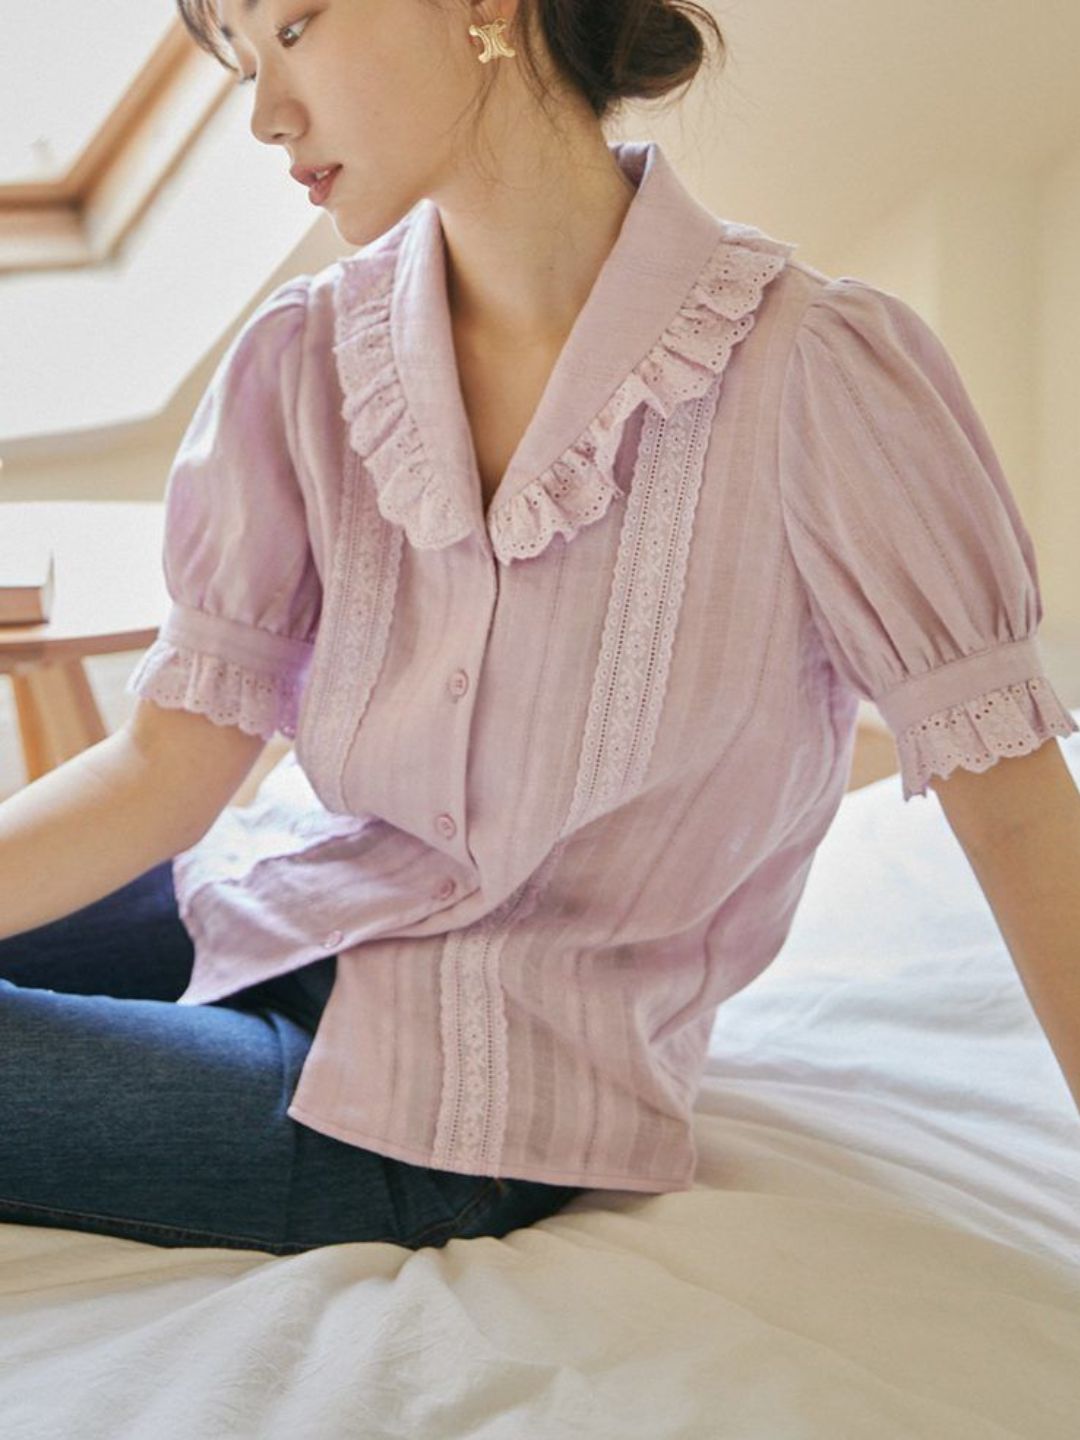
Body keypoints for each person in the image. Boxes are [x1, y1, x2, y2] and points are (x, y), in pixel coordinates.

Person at [1, 0, 1076, 1257]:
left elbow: (1019, 813)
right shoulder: (304, 358)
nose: (264, 116)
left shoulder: (818, 374)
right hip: (280, 903)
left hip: (458, 1108)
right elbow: (165, 769)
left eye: (292, 27)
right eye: (241, 59)